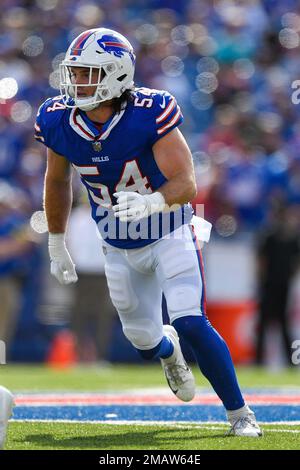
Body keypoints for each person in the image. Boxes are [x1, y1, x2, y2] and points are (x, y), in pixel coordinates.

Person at [35, 27, 262, 437]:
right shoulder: (58, 119)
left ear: (117, 74)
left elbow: (186, 182)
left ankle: (240, 414)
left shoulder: (149, 110)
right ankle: (166, 350)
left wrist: (153, 202)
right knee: (142, 340)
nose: (79, 81)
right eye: (76, 72)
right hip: (116, 243)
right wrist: (56, 242)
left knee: (192, 321)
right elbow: (55, 182)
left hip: (168, 230)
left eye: (90, 72)